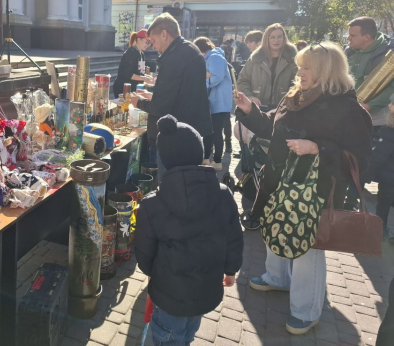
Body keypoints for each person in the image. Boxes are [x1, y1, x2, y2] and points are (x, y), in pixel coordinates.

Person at [234, 42, 372, 335]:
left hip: (316, 190)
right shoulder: (297, 95)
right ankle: (277, 276)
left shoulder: (347, 108)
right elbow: (275, 126)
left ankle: (306, 310)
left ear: (326, 71)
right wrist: (249, 111)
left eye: (306, 67)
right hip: (281, 180)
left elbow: (359, 159)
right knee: (276, 224)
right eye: (300, 65)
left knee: (308, 247)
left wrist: (317, 148)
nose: (300, 72)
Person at [134, 114, 243, 346]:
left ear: (164, 158)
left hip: (168, 294)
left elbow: (144, 250)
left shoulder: (152, 204)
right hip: (205, 291)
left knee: (167, 337)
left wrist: (151, 271)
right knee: (187, 333)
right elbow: (234, 237)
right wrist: (231, 269)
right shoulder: (223, 194)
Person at [130, 13, 213, 183]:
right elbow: (182, 92)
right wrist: (154, 95)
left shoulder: (175, 57)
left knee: (170, 186)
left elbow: (161, 106)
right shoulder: (190, 49)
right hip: (191, 132)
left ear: (164, 34)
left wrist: (139, 102)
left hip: (175, 138)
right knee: (186, 185)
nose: (153, 46)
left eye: (153, 41)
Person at [346, 16, 394, 126]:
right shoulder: (349, 52)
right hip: (348, 115)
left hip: (376, 121)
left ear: (366, 37)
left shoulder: (388, 54)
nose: (348, 38)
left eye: (352, 35)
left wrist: (369, 106)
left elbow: (392, 88)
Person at [237, 23, 298, 109]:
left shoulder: (293, 60)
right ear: (266, 39)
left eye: (279, 37)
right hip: (257, 109)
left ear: (284, 38)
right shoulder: (254, 59)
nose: (276, 40)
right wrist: (249, 96)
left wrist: (289, 98)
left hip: (283, 110)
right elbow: (242, 80)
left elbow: (299, 83)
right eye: (272, 37)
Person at [194, 37, 233, 171]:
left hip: (220, 101)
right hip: (215, 100)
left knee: (216, 132)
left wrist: (203, 80)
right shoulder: (211, 57)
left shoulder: (215, 57)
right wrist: (205, 75)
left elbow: (216, 76)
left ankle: (217, 161)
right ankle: (206, 158)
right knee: (209, 131)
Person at [365, 94, 394, 240]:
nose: (389, 106)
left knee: (383, 204)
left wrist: (366, 175)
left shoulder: (388, 131)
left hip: (389, 178)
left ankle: (380, 230)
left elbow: (379, 156)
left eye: (392, 104)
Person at [112, 29, 150, 98]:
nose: (148, 45)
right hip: (123, 88)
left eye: (150, 43)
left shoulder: (142, 54)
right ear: (139, 40)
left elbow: (140, 72)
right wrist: (145, 78)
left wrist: (148, 77)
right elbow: (129, 74)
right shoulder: (131, 53)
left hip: (133, 88)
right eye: (147, 42)